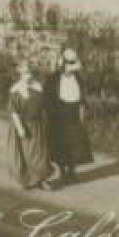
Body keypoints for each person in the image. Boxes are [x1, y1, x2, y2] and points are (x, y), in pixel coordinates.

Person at [45, 48, 94, 184]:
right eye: (67, 66)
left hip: (74, 112)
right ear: (62, 65)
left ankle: (72, 171)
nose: (70, 69)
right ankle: (62, 171)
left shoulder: (78, 78)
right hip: (59, 113)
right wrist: (50, 114)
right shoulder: (53, 78)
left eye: (72, 66)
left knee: (75, 142)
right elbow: (47, 98)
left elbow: (82, 98)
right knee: (60, 143)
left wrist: (82, 112)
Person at [6, 59, 54, 190]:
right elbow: (13, 111)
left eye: (30, 73)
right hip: (23, 124)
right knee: (25, 154)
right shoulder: (15, 90)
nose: (28, 76)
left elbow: (44, 106)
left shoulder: (38, 87)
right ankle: (27, 180)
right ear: (20, 73)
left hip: (37, 125)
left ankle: (42, 179)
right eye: (26, 73)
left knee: (40, 153)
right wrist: (20, 128)